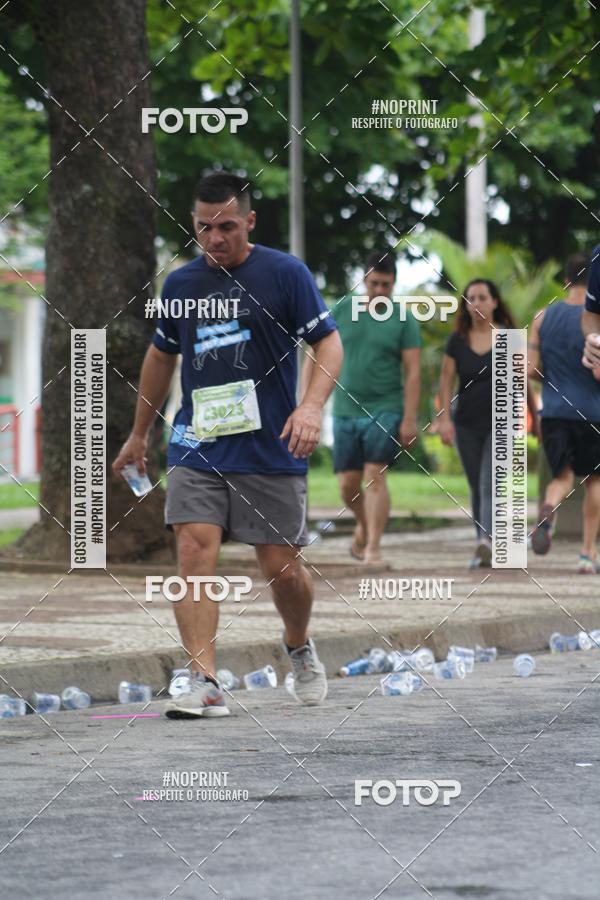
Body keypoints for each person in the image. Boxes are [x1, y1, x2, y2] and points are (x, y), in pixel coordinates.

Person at [112, 172, 343, 718]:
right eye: (203, 228)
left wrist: (310, 407)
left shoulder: (285, 274)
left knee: (281, 567)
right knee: (193, 548)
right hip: (198, 443)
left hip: (270, 447)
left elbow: (328, 344)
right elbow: (161, 357)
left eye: (227, 227)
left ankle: (298, 646)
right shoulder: (182, 285)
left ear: (250, 222)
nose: (214, 239)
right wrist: (140, 433)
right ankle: (204, 680)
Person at [326, 251, 421, 564]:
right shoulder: (342, 309)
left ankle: (374, 549)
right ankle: (365, 526)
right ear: (364, 280)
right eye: (374, 283)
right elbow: (320, 354)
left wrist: (409, 419)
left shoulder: (404, 319)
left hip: (385, 407)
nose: (380, 290)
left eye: (387, 285)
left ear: (394, 284)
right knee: (346, 486)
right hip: (344, 409)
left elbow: (413, 372)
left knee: (374, 475)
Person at [439, 278, 537, 568]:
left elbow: (523, 382)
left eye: (482, 297)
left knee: (488, 483)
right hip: (467, 423)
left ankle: (487, 541)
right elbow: (445, 383)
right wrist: (444, 420)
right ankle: (486, 545)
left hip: (502, 422)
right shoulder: (457, 341)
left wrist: (536, 416)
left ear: (495, 302)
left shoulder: (509, 336)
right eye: (471, 298)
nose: (476, 303)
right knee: (475, 485)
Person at [528, 254, 600, 572]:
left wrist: (555, 380)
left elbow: (529, 368)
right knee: (595, 482)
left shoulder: (543, 317)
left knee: (561, 477)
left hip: (554, 411)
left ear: (567, 280)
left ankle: (548, 509)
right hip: (593, 411)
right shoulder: (595, 320)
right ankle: (587, 555)